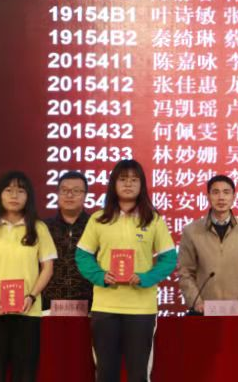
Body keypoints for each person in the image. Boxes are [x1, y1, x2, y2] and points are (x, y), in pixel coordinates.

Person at [75, 159, 177, 382]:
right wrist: (100, 276)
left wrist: (146, 278)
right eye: (123, 179)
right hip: (105, 307)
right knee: (105, 373)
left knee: (138, 374)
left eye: (134, 179)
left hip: (141, 308)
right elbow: (82, 255)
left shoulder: (153, 219)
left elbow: (169, 258)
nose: (128, 184)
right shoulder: (99, 219)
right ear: (113, 184)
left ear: (142, 185)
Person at [0, 171, 57, 382]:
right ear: (0, 194)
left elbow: (48, 268)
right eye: (8, 190)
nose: (14, 195)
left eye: (20, 191)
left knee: (25, 374)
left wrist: (32, 296)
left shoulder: (38, 228)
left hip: (28, 312)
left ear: (28, 196)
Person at [178, 175, 238, 314]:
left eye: (226, 192)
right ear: (208, 196)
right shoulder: (191, 231)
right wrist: (197, 302)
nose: (221, 198)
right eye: (215, 192)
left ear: (234, 196)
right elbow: (185, 272)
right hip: (204, 311)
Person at [42, 171, 92, 310]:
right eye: (64, 190)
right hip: (47, 305)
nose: (69, 195)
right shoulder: (43, 227)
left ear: (85, 195)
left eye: (76, 191)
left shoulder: (95, 226)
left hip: (91, 304)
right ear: (57, 194)